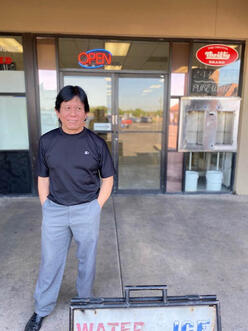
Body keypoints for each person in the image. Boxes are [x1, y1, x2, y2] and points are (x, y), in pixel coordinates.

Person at [25, 85, 115, 331]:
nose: (73, 113)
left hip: (86, 209)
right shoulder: (48, 141)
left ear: (85, 112)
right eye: (67, 108)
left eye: (78, 108)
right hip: (55, 209)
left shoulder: (96, 143)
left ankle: (85, 303)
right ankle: (41, 309)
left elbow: (107, 178)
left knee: (87, 260)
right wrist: (45, 204)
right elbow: (43, 177)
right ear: (57, 111)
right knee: (50, 261)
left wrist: (97, 206)